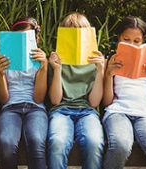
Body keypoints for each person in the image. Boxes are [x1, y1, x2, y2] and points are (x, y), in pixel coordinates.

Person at [102, 16, 146, 169]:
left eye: (136, 41)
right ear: (118, 38)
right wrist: (108, 75)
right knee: (120, 146)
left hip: (145, 114)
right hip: (118, 112)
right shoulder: (110, 62)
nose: (131, 44)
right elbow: (107, 102)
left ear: (143, 41)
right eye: (126, 40)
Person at [47, 13, 105, 169]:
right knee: (58, 142)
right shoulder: (56, 60)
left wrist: (100, 71)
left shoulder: (94, 61)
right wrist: (57, 70)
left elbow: (93, 102)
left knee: (94, 142)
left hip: (87, 111)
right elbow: (55, 100)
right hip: (61, 110)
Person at [0, 16, 48, 169]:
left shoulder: (40, 62)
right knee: (6, 143)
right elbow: (4, 99)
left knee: (36, 141)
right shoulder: (4, 61)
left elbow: (38, 98)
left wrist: (44, 68)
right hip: (10, 108)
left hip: (35, 108)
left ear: (36, 38)